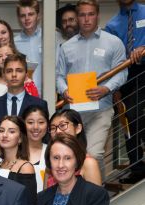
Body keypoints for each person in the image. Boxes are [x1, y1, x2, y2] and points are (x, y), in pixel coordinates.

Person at [57, 0, 127, 177]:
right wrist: (64, 90)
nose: (86, 19)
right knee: (69, 157)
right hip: (72, 112)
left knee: (94, 155)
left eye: (90, 14)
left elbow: (122, 72)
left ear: (98, 15)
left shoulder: (114, 42)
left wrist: (106, 88)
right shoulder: (66, 47)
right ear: (77, 17)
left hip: (101, 109)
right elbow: (58, 75)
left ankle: (96, 197)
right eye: (82, 15)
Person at [106, 0, 145, 183]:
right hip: (127, 77)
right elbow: (110, 59)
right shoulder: (111, 25)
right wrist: (115, 87)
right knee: (128, 118)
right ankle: (136, 167)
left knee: (137, 115)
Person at [0, 53, 48, 140]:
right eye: (9, 71)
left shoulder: (40, 104)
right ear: (4, 75)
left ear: (26, 75)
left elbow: (45, 138)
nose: (14, 75)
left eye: (19, 70)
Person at [48, 109, 102, 187]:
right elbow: (44, 197)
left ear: (78, 128)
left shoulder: (88, 163)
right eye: (53, 128)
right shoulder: (51, 161)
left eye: (63, 125)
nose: (58, 131)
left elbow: (97, 198)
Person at [0, 115, 37, 205]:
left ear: (20, 138)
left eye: (11, 131)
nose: (4, 135)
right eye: (1, 131)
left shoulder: (25, 167)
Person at [15, 0, 43, 94]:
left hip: (47, 92)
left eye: (30, 14)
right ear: (19, 18)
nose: (27, 18)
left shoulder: (48, 38)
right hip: (23, 94)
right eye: (23, 15)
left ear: (38, 15)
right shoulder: (14, 43)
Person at [22, 105, 49, 192]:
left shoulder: (52, 152)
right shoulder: (12, 151)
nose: (35, 127)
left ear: (47, 125)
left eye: (41, 122)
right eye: (30, 122)